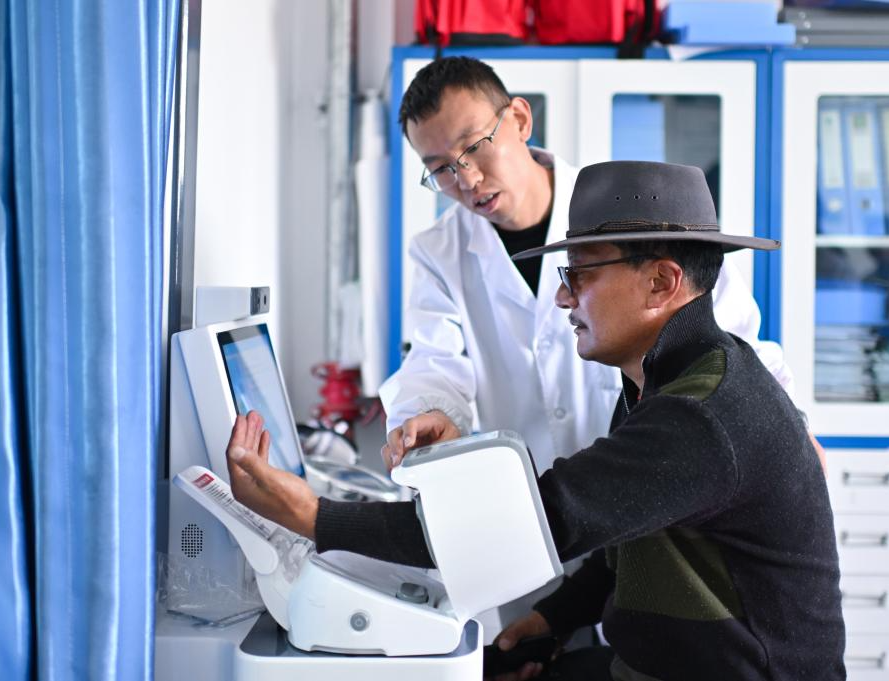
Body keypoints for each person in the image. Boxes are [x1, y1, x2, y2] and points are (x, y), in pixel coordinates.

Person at [224, 160, 845, 681]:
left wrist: (312, 517)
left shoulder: (699, 412)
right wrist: (552, 620)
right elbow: (629, 537)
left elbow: (514, 530)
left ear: (661, 282)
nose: (563, 297)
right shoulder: (664, 380)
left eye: (580, 275)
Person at [379, 56, 803, 474]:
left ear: (520, 120)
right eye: (442, 169)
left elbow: (730, 342)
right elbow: (432, 361)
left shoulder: (630, 208)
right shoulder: (438, 252)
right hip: (535, 493)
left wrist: (791, 432)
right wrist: (431, 413)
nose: (467, 179)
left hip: (655, 475)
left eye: (474, 147)